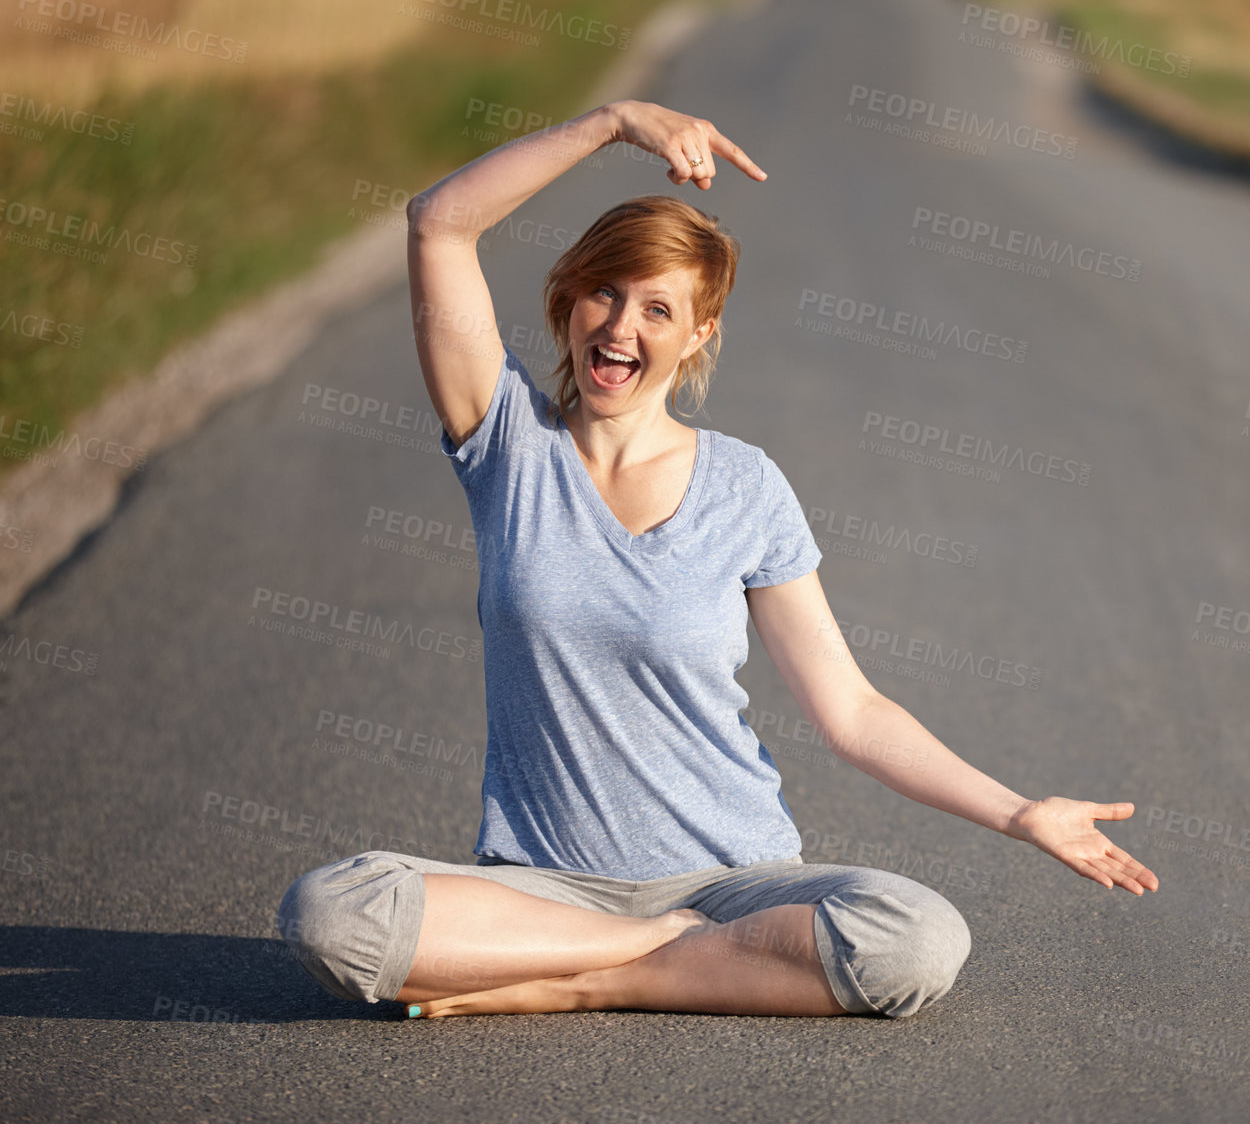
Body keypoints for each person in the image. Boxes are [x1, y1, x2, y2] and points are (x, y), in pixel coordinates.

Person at [276, 99, 1157, 1022]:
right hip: (543, 891)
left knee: (914, 937)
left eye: (659, 308)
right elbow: (440, 223)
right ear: (570, 300)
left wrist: (1019, 813)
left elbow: (851, 711)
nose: (622, 326)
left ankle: (578, 981)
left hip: (733, 884)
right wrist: (613, 123)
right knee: (334, 914)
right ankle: (631, 953)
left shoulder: (745, 485)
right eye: (605, 292)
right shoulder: (508, 447)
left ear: (697, 335)